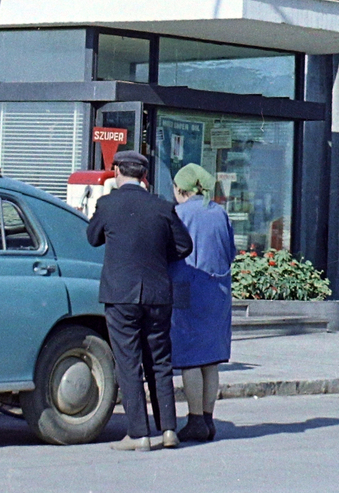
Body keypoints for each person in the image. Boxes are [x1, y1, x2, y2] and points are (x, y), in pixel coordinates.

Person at [85, 150, 193, 451]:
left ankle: (138, 434)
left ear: (117, 171)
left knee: (128, 362)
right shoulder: (161, 205)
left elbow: (92, 237)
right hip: (158, 293)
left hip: (121, 295)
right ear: (144, 175)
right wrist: (159, 256)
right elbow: (184, 245)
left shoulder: (108, 204)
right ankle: (169, 429)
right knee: (159, 360)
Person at [169, 163, 236, 443]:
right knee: (211, 360)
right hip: (218, 292)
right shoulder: (220, 213)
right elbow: (231, 252)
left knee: (190, 360)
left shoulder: (179, 214)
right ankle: (208, 419)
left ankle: (195, 419)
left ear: (181, 189)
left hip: (189, 291)